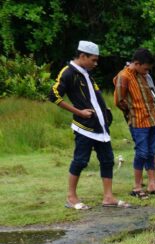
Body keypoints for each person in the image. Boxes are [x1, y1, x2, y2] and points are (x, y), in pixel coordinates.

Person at [49, 40, 130, 209]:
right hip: (84, 127)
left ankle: (108, 197)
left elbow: (93, 97)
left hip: (100, 126)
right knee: (80, 161)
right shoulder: (68, 72)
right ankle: (71, 197)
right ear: (82, 56)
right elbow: (54, 96)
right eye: (93, 59)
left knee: (107, 160)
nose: (95, 63)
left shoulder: (86, 73)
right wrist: (79, 112)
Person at [114, 48, 155, 198]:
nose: (146, 71)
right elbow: (118, 100)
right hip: (138, 121)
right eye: (145, 68)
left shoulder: (144, 75)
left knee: (151, 152)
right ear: (136, 63)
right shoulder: (123, 76)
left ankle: (152, 184)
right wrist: (132, 112)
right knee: (142, 153)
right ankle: (137, 187)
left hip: (152, 119)